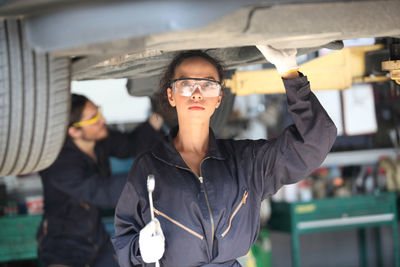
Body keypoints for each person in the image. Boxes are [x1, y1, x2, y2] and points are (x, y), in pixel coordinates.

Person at [112, 45, 337, 267]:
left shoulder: (246, 163)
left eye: (208, 85)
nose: (197, 93)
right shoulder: (150, 167)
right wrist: (140, 250)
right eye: (186, 84)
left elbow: (314, 142)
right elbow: (123, 243)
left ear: (219, 97)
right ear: (171, 95)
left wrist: (290, 73)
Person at [37, 94, 164, 267]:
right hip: (63, 249)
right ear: (74, 131)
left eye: (99, 112)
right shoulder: (59, 165)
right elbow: (102, 191)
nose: (102, 119)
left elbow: (130, 145)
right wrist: (152, 181)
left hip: (97, 242)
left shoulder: (99, 139)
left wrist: (152, 124)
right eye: (93, 118)